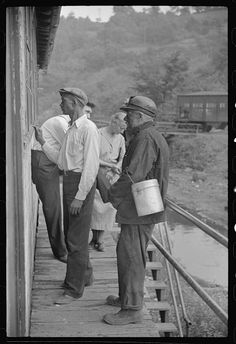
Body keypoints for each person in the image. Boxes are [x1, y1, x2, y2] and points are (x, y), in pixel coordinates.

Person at [103, 95, 169, 325]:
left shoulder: (146, 138)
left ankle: (131, 309)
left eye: (129, 115)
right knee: (128, 253)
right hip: (140, 207)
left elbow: (133, 174)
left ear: (139, 116)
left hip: (140, 209)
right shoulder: (149, 135)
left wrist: (112, 193)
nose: (126, 119)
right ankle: (126, 297)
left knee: (131, 257)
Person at [54, 87, 100, 305]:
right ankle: (86, 276)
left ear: (74, 103)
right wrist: (42, 142)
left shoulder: (89, 129)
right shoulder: (72, 127)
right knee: (72, 232)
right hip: (71, 181)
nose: (60, 105)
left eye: (63, 101)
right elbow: (63, 162)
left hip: (81, 184)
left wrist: (80, 197)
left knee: (75, 239)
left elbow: (91, 167)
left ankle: (74, 290)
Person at [32, 113, 70, 263]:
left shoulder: (66, 124)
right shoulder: (61, 124)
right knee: (52, 208)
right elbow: (71, 150)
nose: (88, 115)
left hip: (49, 161)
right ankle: (59, 251)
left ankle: (64, 246)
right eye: (86, 111)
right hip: (43, 161)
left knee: (58, 206)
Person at [89, 112, 127, 252]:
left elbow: (123, 156)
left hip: (113, 175)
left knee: (110, 207)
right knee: (97, 208)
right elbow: (92, 156)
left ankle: (100, 239)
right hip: (98, 173)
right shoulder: (98, 134)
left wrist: (117, 166)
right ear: (113, 122)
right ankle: (95, 238)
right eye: (121, 127)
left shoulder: (121, 138)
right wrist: (110, 165)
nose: (122, 131)